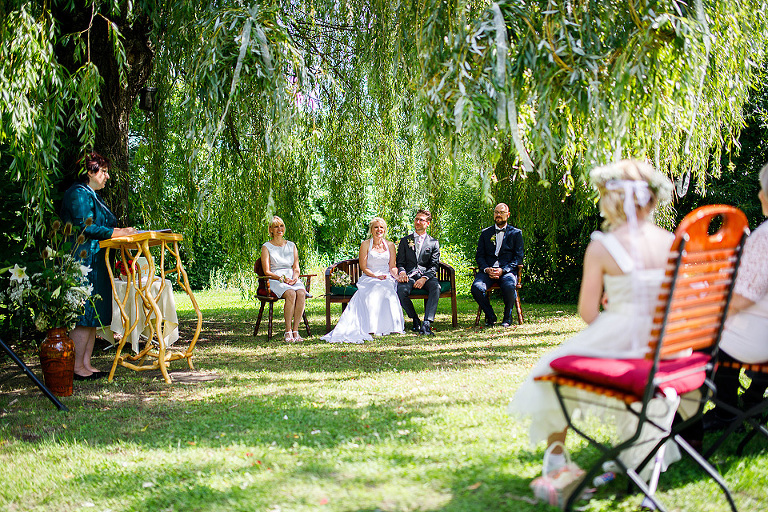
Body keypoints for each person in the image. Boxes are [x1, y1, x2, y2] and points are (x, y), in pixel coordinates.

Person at [508, 159, 678, 475]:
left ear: (613, 200)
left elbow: (588, 313)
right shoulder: (671, 242)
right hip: (667, 350)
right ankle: (641, 455)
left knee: (551, 369)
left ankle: (556, 458)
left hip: (628, 347)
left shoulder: (603, 246)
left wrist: (615, 318)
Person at [702, 162, 768, 431]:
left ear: (764, 197)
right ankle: (750, 401)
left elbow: (741, 300)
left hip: (757, 342)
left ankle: (725, 414)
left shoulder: (764, 238)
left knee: (704, 337)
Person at [60, 152, 137, 381]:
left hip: (96, 261)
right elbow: (86, 227)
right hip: (82, 260)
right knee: (84, 314)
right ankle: (75, 367)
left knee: (93, 314)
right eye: (103, 171)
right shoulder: (78, 194)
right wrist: (119, 232)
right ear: (90, 172)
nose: (107, 176)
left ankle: (86, 363)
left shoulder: (92, 195)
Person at [322, 218, 405, 344]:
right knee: (373, 291)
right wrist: (375, 276)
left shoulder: (390, 245)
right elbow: (364, 267)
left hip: (386, 276)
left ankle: (390, 326)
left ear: (385, 229)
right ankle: (370, 326)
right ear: (371, 230)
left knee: (387, 292)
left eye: (381, 227)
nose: (379, 230)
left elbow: (392, 266)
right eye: (376, 227)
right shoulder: (365, 244)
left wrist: (396, 276)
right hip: (370, 277)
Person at [471, 203, 525, 327]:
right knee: (476, 288)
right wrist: (486, 269)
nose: (498, 215)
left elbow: (518, 258)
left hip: (507, 271)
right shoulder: (486, 233)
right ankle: (490, 316)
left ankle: (507, 318)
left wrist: (503, 270)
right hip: (488, 271)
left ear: (508, 215)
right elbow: (479, 256)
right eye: (496, 212)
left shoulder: (516, 233)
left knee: (509, 285)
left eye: (501, 212)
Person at [261, 216, 308, 343]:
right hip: (276, 279)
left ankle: (296, 331)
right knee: (291, 293)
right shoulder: (266, 247)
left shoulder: (292, 245)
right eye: (276, 226)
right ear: (270, 229)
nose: (279, 229)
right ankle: (288, 331)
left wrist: (294, 278)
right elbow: (267, 271)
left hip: (291, 278)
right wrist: (282, 278)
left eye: (281, 226)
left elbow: (296, 267)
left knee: (301, 293)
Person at [396, 209, 441, 335]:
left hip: (426, 277)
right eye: (416, 219)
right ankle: (415, 319)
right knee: (401, 290)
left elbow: (434, 266)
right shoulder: (405, 241)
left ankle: (427, 323)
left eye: (421, 220)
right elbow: (400, 262)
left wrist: (424, 278)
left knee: (436, 287)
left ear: (427, 223)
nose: (418, 222)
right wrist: (402, 272)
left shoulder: (433, 242)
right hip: (409, 275)